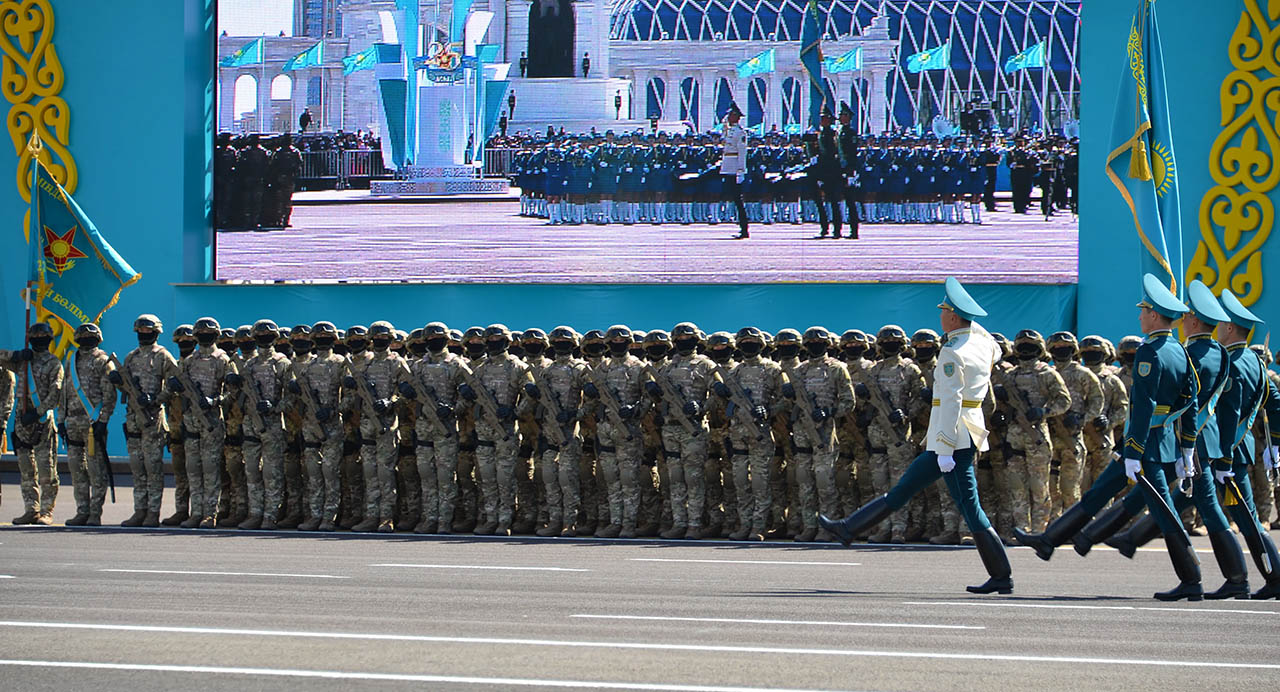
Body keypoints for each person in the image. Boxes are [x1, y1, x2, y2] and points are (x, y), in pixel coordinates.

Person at [1014, 274, 1205, 601]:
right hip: (1160, 444)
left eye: (1144, 312)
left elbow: (1143, 406)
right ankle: (1048, 541)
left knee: (1163, 512)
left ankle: (1192, 580)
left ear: (1155, 315)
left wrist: (1133, 450)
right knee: (1099, 492)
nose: (1140, 317)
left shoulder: (1151, 352)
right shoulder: (1178, 350)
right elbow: (1191, 402)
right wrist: (1186, 446)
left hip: (1147, 448)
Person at [821, 278, 1012, 595]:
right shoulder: (982, 343)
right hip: (969, 431)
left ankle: (1002, 575)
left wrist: (946, 449)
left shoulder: (952, 353)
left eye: (944, 312)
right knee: (932, 496)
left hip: (951, 439)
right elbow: (993, 346)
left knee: (959, 503)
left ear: (953, 317)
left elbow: (950, 404)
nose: (940, 318)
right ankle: (848, 529)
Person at [118, 316, 177, 528]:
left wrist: (156, 399)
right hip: (133, 418)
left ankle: (153, 513)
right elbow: (125, 387)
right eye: (140, 330)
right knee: (137, 467)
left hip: (153, 419)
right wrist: (118, 383)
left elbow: (175, 384)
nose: (143, 333)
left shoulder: (163, 356)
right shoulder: (131, 357)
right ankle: (139, 511)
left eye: (147, 330)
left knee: (153, 468)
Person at [60, 323, 117, 527]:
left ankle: (95, 513)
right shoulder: (71, 361)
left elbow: (110, 395)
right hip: (73, 422)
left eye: (89, 336)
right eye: (82, 336)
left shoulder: (103, 361)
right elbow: (64, 393)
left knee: (96, 469)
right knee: (76, 469)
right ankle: (81, 511)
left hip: (93, 424)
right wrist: (61, 420)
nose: (85, 339)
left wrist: (103, 420)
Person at [720, 102, 750, 239]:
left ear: (735, 117)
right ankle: (741, 226)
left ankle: (744, 229)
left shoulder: (740, 132)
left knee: (738, 199)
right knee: (734, 198)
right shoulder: (729, 130)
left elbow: (742, 152)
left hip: (734, 167)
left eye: (730, 115)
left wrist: (740, 170)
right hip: (726, 166)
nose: (728, 117)